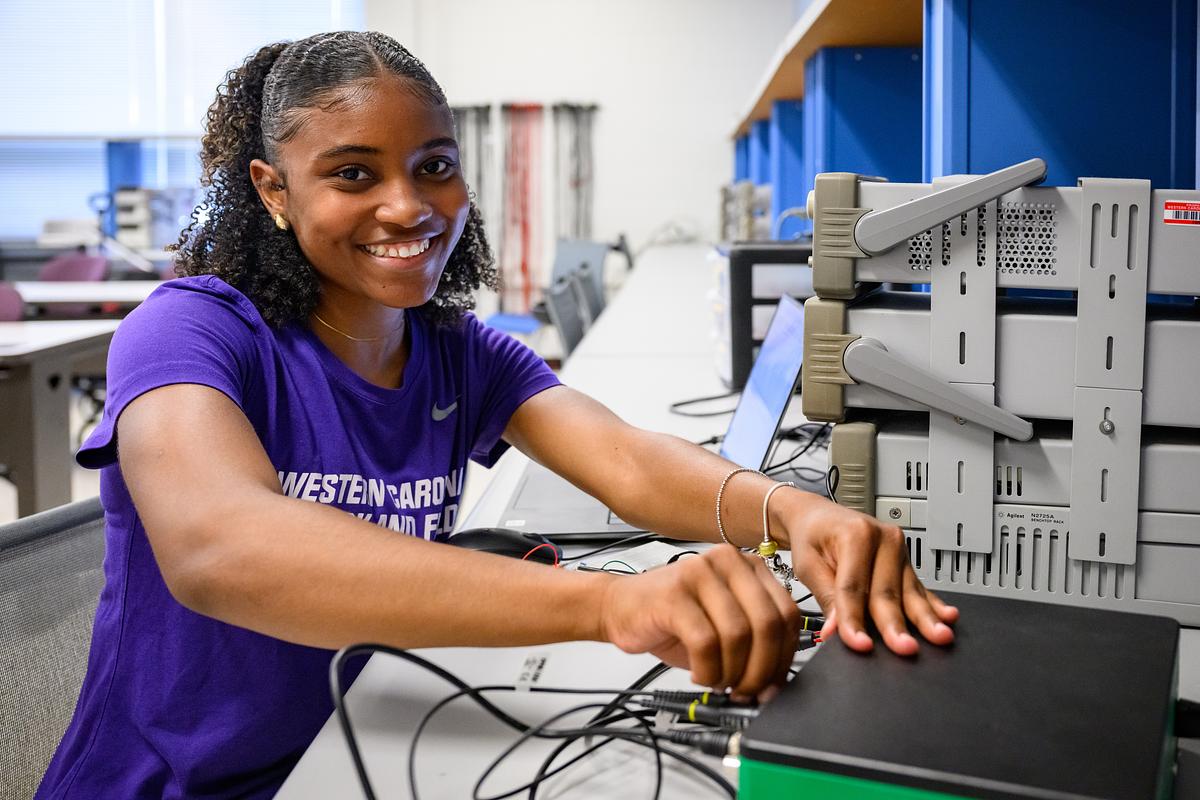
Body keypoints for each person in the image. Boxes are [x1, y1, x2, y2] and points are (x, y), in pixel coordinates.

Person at [37, 31, 958, 799]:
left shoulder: (453, 353)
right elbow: (221, 550)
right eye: (353, 174)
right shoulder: (188, 332)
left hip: (354, 753)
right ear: (274, 191)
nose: (408, 205)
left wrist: (793, 514)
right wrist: (611, 604)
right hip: (174, 785)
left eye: (433, 167)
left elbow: (627, 462)